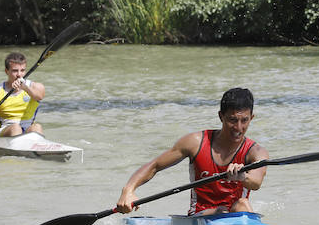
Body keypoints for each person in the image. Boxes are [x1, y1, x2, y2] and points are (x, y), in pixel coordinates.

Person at [115, 87, 271, 217]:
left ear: (251, 118)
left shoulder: (256, 151)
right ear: (220, 116)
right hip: (201, 215)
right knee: (223, 210)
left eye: (244, 120)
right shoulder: (195, 143)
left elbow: (256, 182)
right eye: (232, 120)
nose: (238, 127)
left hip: (238, 213)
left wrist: (242, 176)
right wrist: (128, 190)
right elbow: (155, 165)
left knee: (242, 203)